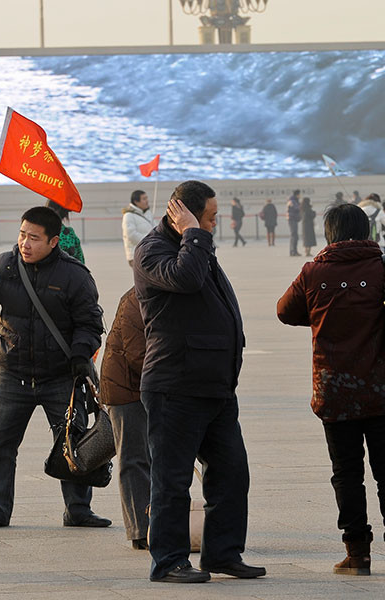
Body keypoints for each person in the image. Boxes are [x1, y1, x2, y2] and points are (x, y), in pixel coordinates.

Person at [277, 203, 385, 577]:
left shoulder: (314, 271)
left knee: (346, 473)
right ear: (365, 231)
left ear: (329, 232)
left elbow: (285, 311)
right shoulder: (383, 266)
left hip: (335, 391)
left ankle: (357, 554)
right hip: (383, 390)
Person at [133, 181, 262, 584]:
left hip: (214, 387)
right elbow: (185, 280)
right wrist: (194, 234)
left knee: (232, 472)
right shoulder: (153, 251)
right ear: (182, 215)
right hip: (175, 385)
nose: (214, 221)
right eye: (208, 215)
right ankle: (168, 560)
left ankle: (222, 553)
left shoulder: (197, 246)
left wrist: (195, 236)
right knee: (172, 478)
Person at [0, 206, 109, 530]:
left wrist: (79, 353)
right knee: (0, 446)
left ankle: (78, 509)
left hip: (60, 376)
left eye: (34, 238)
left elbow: (90, 322)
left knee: (74, 442)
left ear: (54, 241)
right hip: (13, 373)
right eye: (22, 235)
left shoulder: (74, 275)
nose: (25, 243)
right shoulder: (3, 265)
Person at [99, 288, 150, 550]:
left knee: (150, 458)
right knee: (134, 457)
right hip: (125, 388)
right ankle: (140, 530)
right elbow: (138, 356)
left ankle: (157, 522)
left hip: (151, 385)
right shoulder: (136, 300)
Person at [122, 190, 153, 264]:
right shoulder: (129, 215)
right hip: (137, 255)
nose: (147, 201)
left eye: (147, 198)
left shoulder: (148, 213)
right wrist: (150, 241)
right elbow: (131, 235)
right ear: (136, 201)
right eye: (144, 199)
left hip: (149, 253)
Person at [287, 191, 302, 256]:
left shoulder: (295, 200)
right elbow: (297, 208)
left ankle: (294, 251)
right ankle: (293, 251)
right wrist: (302, 205)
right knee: (294, 235)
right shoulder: (292, 201)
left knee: (295, 236)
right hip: (292, 219)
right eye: (299, 194)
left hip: (294, 219)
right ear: (297, 195)